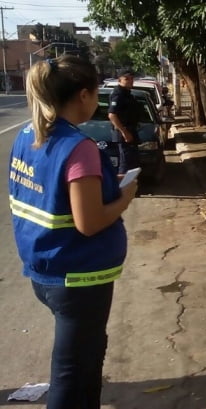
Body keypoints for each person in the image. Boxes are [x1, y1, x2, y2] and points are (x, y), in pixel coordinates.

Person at [8, 55, 137, 409]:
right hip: (78, 279)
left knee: (87, 358)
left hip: (44, 269)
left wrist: (104, 186)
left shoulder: (27, 135)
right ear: (83, 95)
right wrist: (124, 197)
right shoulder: (78, 148)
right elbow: (89, 222)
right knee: (71, 372)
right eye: (96, 94)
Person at [108, 69, 139, 175]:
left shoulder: (127, 94)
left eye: (132, 78)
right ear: (119, 80)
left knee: (132, 163)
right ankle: (123, 185)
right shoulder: (118, 94)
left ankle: (130, 184)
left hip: (131, 131)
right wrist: (124, 132)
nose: (130, 81)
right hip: (124, 135)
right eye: (126, 79)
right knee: (125, 163)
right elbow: (112, 115)